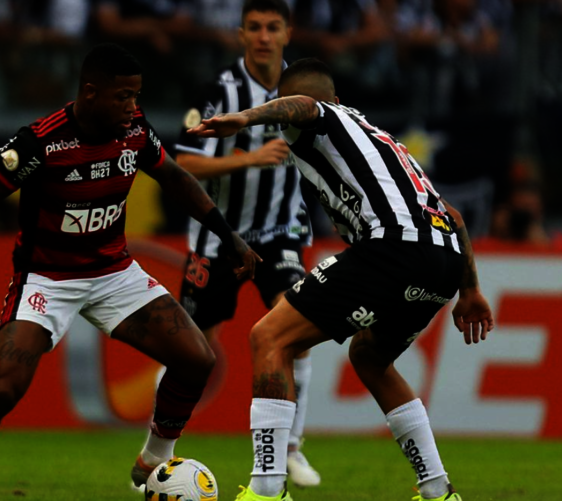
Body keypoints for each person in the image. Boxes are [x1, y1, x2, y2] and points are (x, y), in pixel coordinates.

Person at [0, 43, 260, 501]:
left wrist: (229, 235)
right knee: (4, 388)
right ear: (91, 93)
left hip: (113, 272)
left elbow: (175, 177)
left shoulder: (134, 130)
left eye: (137, 96)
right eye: (124, 96)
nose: (134, 106)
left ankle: (155, 457)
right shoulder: (42, 142)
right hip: (45, 279)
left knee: (198, 359)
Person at [189, 58, 494, 501]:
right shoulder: (385, 141)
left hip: (394, 247)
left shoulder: (323, 118)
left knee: (269, 338)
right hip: (443, 259)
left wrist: (247, 116)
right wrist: (470, 290)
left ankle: (266, 490)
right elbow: (454, 215)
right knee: (370, 357)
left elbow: (305, 108)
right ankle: (437, 491)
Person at [172, 0, 322, 488]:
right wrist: (249, 159)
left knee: (297, 326)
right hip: (219, 238)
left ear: (287, 33)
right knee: (196, 349)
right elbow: (183, 166)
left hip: (282, 233)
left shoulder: (304, 90)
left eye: (272, 27)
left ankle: (292, 448)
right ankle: (161, 449)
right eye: (254, 27)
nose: (263, 36)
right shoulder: (220, 91)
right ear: (241, 35)